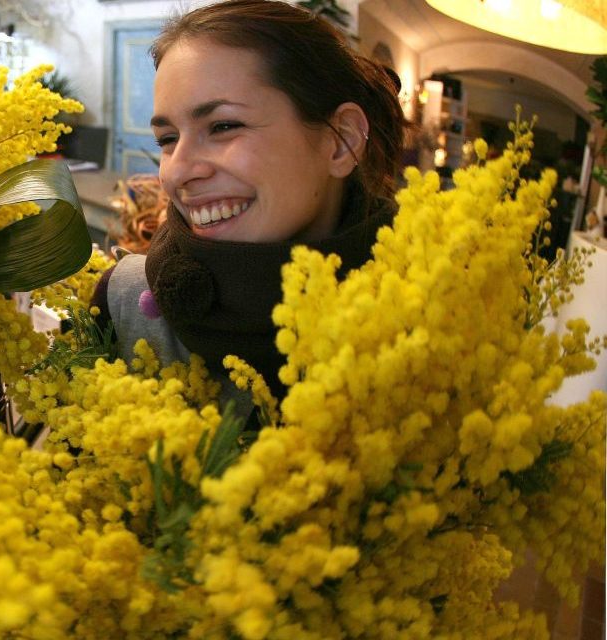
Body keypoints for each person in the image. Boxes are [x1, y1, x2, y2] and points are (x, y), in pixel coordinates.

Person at [91, 0, 408, 417]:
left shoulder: (429, 325)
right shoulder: (122, 303)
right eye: (167, 139)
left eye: (223, 126)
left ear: (342, 140)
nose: (177, 171)